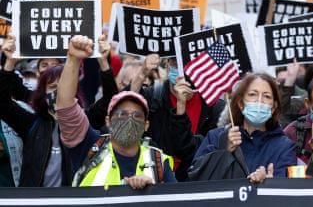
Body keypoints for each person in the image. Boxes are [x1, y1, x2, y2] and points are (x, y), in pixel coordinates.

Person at [55, 35, 176, 188]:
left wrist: (153, 190)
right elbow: (66, 107)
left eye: (137, 115)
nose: (129, 119)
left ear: (146, 125)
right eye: (121, 114)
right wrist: (73, 59)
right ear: (108, 121)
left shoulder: (159, 162)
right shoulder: (89, 146)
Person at [0, 35, 85, 187]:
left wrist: (103, 62)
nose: (59, 95)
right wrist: (9, 62)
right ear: (42, 93)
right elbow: (2, 103)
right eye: (52, 88)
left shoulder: (84, 125)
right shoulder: (31, 124)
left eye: (63, 88)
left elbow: (107, 104)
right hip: (33, 200)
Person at [191, 73, 296, 183]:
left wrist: (269, 183)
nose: (259, 101)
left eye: (266, 96)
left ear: (273, 107)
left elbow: (287, 190)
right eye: (252, 94)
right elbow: (197, 178)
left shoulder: (284, 146)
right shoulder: (215, 137)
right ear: (241, 103)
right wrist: (223, 150)